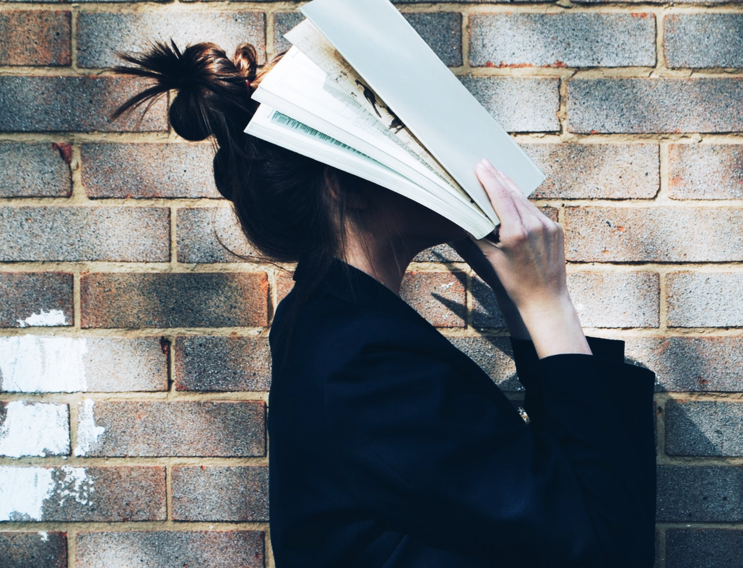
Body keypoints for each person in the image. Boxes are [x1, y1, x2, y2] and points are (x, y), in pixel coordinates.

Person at [112, 40, 657, 568]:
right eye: (402, 136)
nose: (439, 151)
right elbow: (606, 544)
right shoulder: (360, 364)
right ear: (346, 184)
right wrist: (548, 300)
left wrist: (516, 291)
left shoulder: (341, 330)